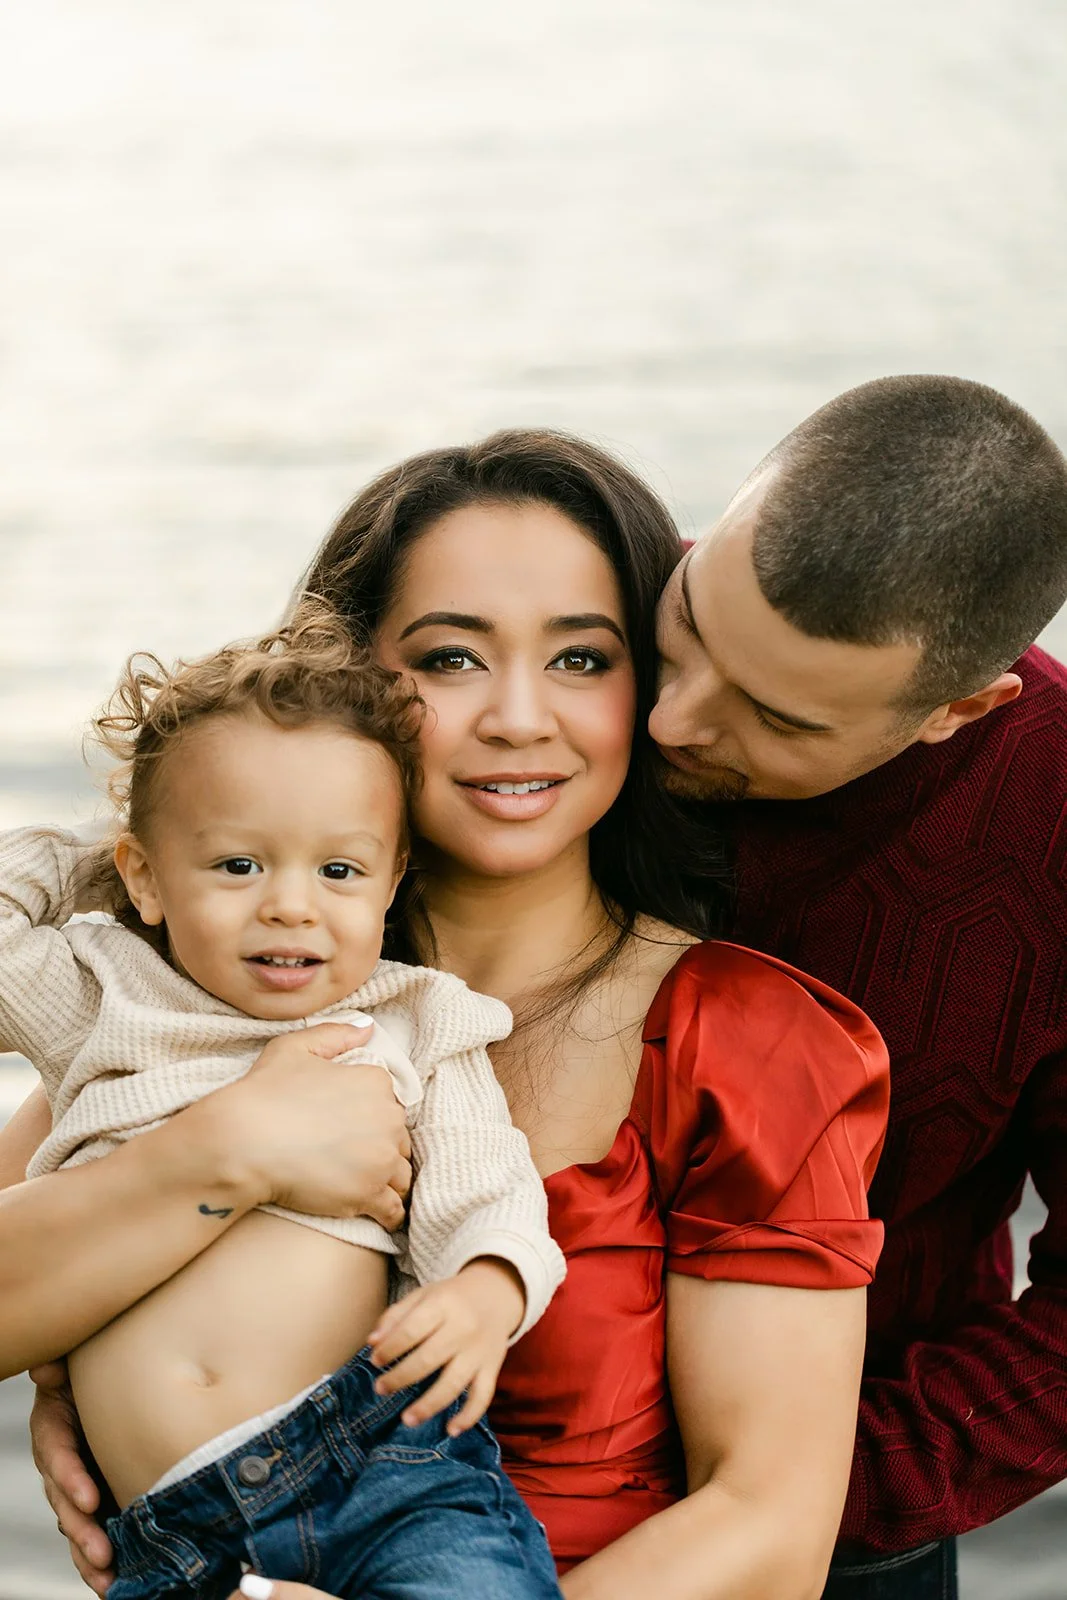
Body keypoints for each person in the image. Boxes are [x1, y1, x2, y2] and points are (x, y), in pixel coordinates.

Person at [1, 430, 889, 1600]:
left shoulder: (748, 1038)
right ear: (354, 675)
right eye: (451, 657)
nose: (518, 717)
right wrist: (231, 1153)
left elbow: (767, 1533)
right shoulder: (207, 985)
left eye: (580, 659)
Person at [0, 607, 566, 1599]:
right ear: (145, 873)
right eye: (237, 864)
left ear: (391, 881)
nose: (290, 904)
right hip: (171, 1533)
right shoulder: (101, 990)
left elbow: (487, 1180)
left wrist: (485, 1286)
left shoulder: (412, 1018)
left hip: (376, 1466)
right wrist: (82, 851)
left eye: (338, 870)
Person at [648, 374, 1067, 1599]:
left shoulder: (1053, 817)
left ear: (957, 709)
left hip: (830, 1536)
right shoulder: (561, 614)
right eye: (686, 625)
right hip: (413, 1473)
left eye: (772, 718)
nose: (669, 719)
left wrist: (819, 1489)